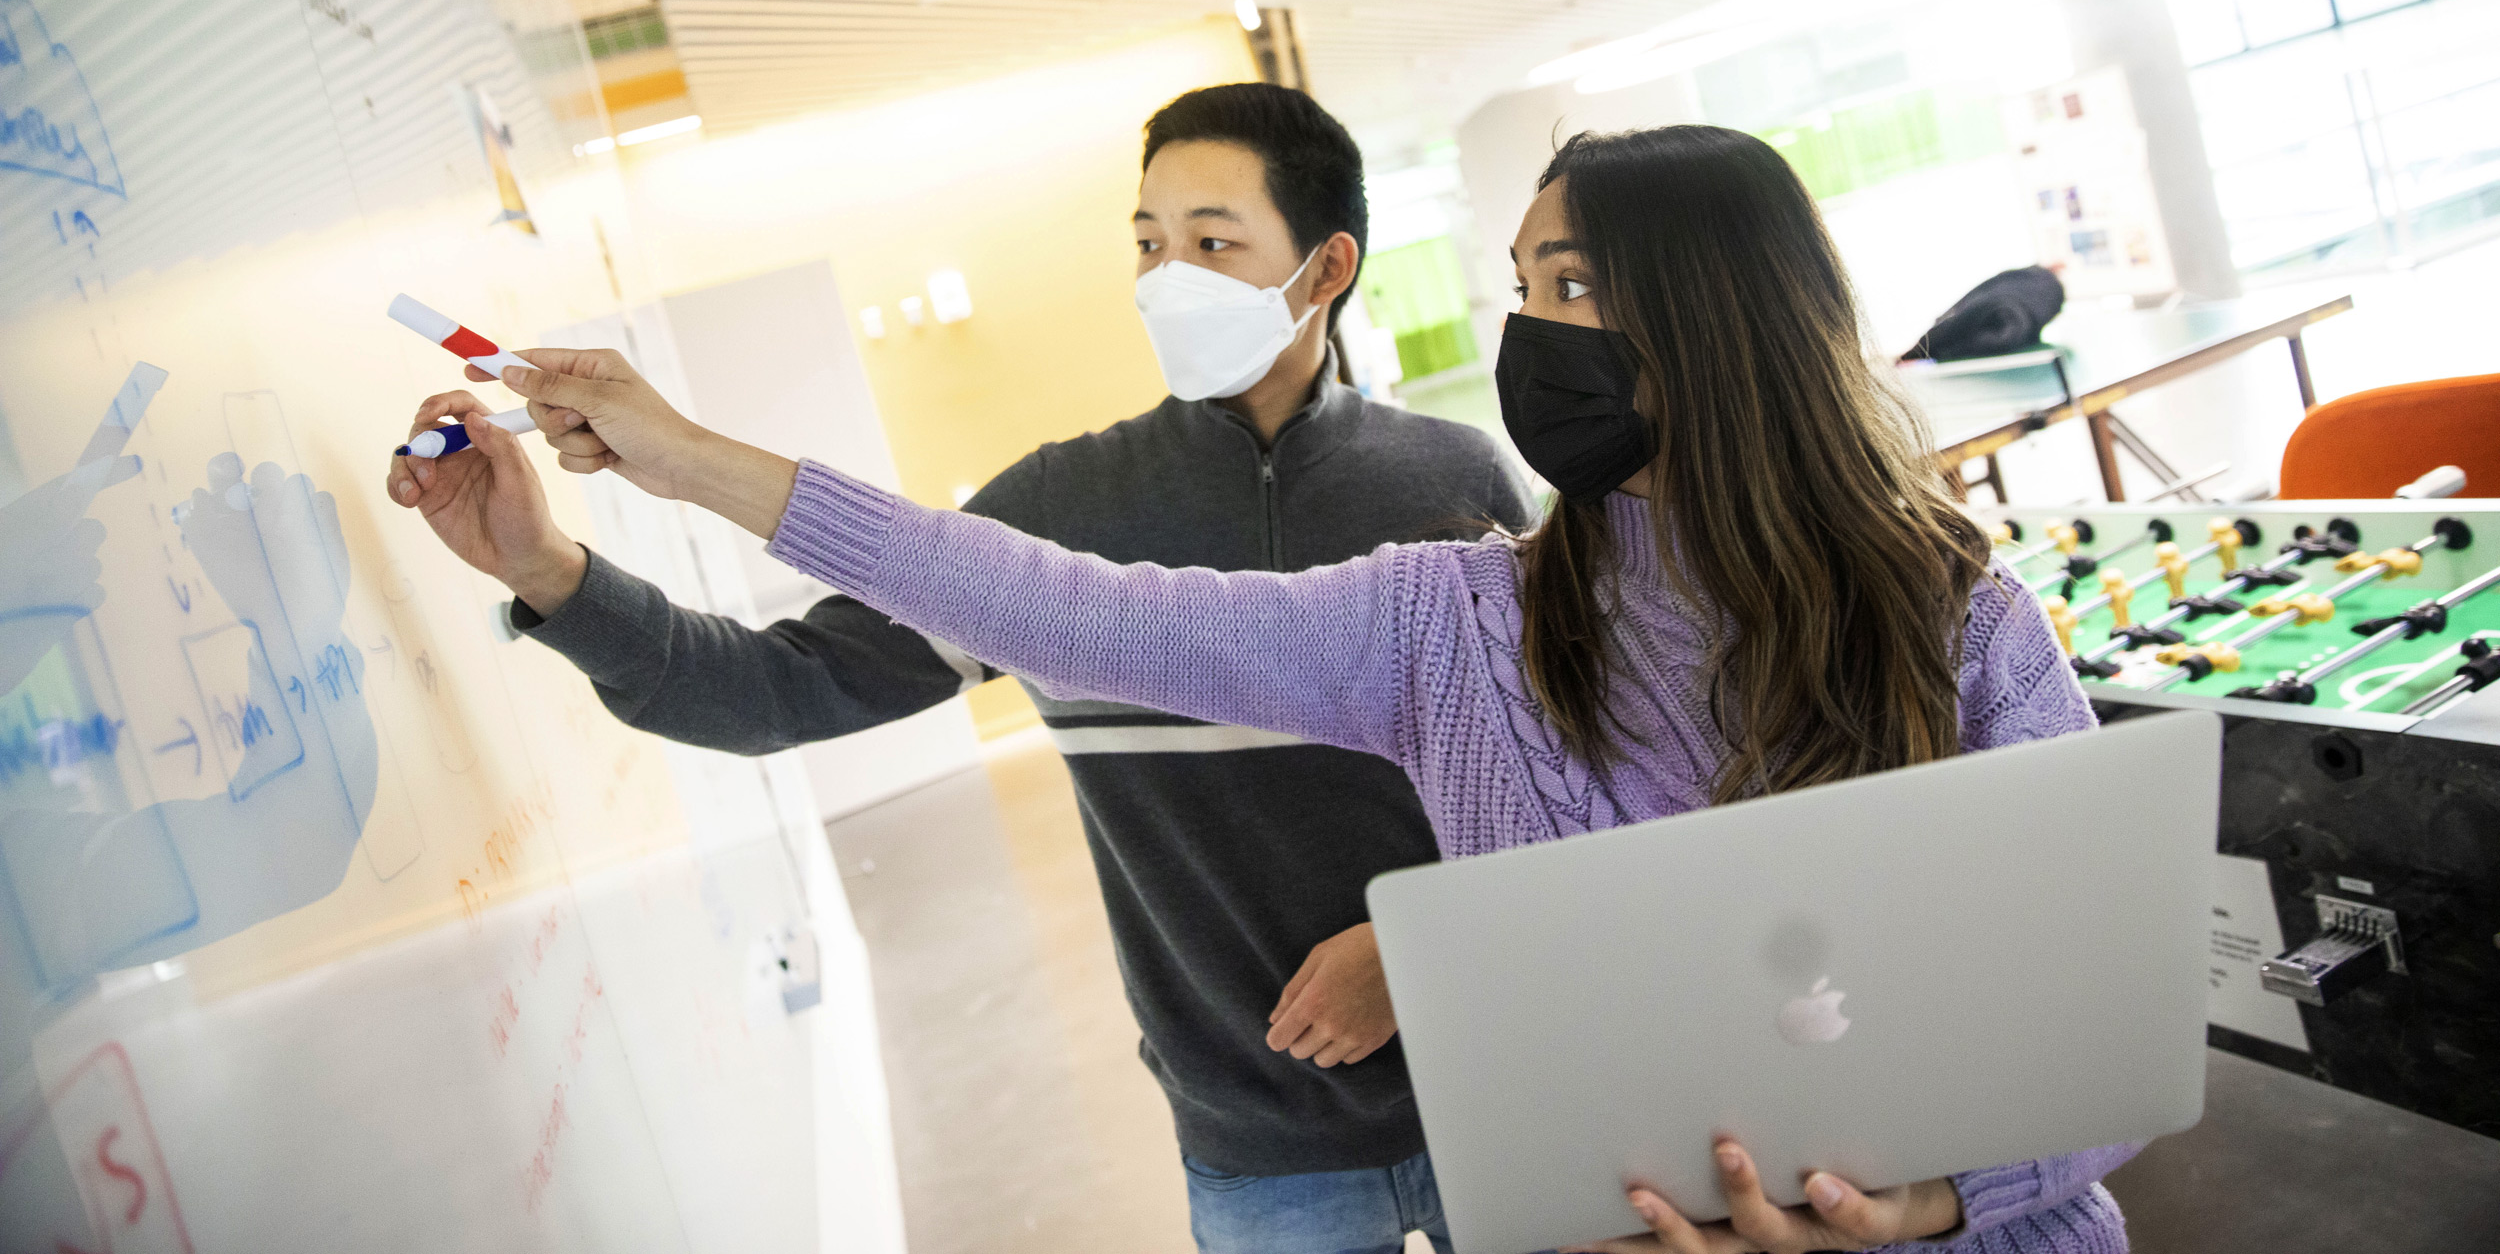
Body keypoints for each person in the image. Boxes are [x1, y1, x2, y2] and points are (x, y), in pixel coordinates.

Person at [394, 123, 2140, 1254]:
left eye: (1578, 286)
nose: (1539, 331)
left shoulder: (1959, 622)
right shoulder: (1451, 617)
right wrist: (692, 464)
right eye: (1526, 285)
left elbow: (2095, 1030)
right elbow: (1057, 608)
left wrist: (1918, 1205)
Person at [394, 83, 1529, 1254]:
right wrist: (548, 570)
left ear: (1328, 264)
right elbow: (780, 686)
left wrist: (1417, 938)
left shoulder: (1451, 485)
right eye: (1146, 241)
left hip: (1502, 1082)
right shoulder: (1055, 511)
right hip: (1259, 1151)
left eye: (1211, 240)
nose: (1164, 275)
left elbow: (1575, 778)